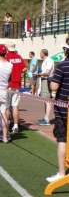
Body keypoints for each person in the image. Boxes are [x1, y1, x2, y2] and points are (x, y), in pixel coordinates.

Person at [46, 39, 69, 182]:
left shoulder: (62, 65)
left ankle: (62, 173)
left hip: (63, 109)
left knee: (62, 139)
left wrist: (50, 80)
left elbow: (54, 87)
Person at [5, 41, 27, 133]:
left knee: (6, 106)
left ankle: (6, 125)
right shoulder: (19, 56)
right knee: (15, 105)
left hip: (8, 84)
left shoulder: (7, 57)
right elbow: (25, 68)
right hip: (17, 84)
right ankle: (15, 125)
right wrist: (20, 73)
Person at [34, 49, 54, 126]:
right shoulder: (45, 61)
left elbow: (47, 72)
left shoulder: (49, 60)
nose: (40, 54)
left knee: (48, 101)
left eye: (40, 53)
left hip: (46, 80)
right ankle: (46, 117)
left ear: (43, 53)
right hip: (44, 80)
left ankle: (47, 119)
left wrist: (39, 74)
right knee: (45, 100)